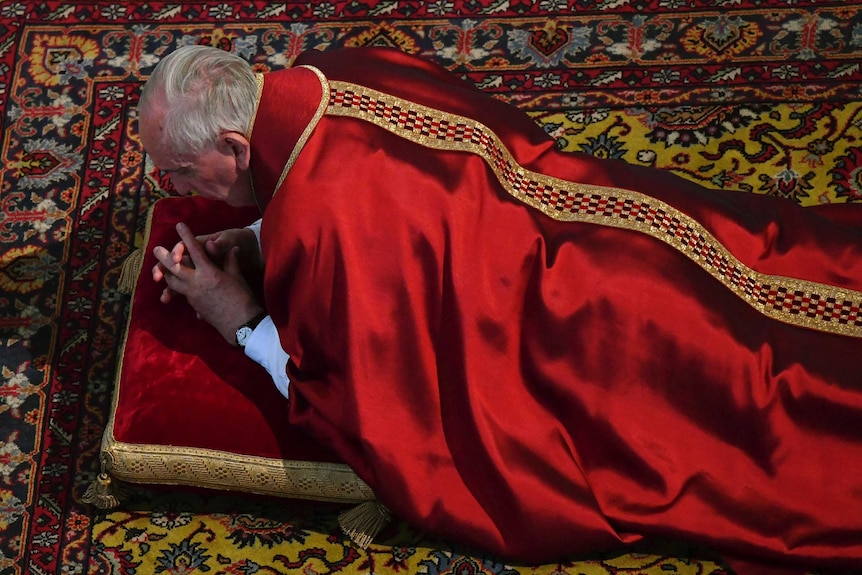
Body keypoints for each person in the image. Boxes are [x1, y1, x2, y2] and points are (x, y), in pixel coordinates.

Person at [139, 44, 862, 574]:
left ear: (234, 145)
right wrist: (265, 229)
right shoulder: (340, 70)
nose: (166, 183)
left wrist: (240, 318)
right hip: (622, 226)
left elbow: (359, 409)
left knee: (771, 394)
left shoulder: (320, 227)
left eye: (173, 169)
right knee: (756, 281)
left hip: (583, 334)